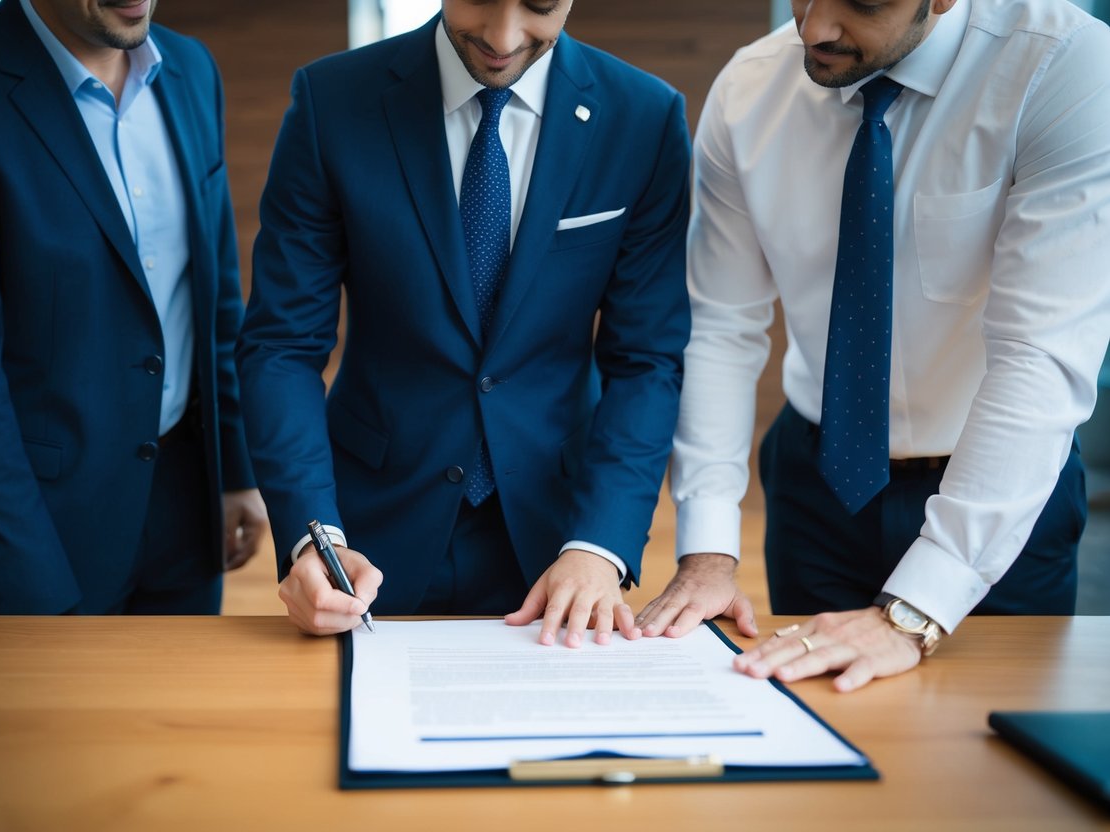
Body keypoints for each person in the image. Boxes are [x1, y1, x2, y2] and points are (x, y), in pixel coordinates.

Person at [637, 0, 1110, 689]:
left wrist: (916, 611)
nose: (816, 28)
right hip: (817, 486)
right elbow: (719, 326)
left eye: (860, 2)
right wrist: (707, 548)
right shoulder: (749, 91)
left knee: (987, 767)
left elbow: (1036, 356)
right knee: (821, 738)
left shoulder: (1063, 68)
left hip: (997, 492)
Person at [237, 0, 691, 646]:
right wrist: (315, 536)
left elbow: (646, 359)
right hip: (367, 534)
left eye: (537, 4)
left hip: (558, 537)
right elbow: (283, 344)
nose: (502, 38)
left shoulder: (642, 117)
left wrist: (599, 543)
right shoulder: (331, 100)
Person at [0, 0, 268, 614]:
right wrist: (32, 595)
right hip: (31, 530)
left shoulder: (192, 68)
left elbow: (213, 293)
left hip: (181, 508)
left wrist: (234, 468)